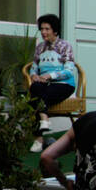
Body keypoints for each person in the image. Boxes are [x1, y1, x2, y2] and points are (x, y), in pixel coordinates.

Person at [28, 13, 76, 149]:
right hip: (44, 84)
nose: (43, 32)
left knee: (36, 99)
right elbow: (33, 69)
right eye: (42, 29)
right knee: (34, 88)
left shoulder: (65, 46)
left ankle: (38, 140)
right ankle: (44, 120)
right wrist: (34, 76)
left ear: (55, 30)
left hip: (63, 84)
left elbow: (68, 71)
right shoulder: (40, 48)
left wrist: (50, 76)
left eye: (47, 29)